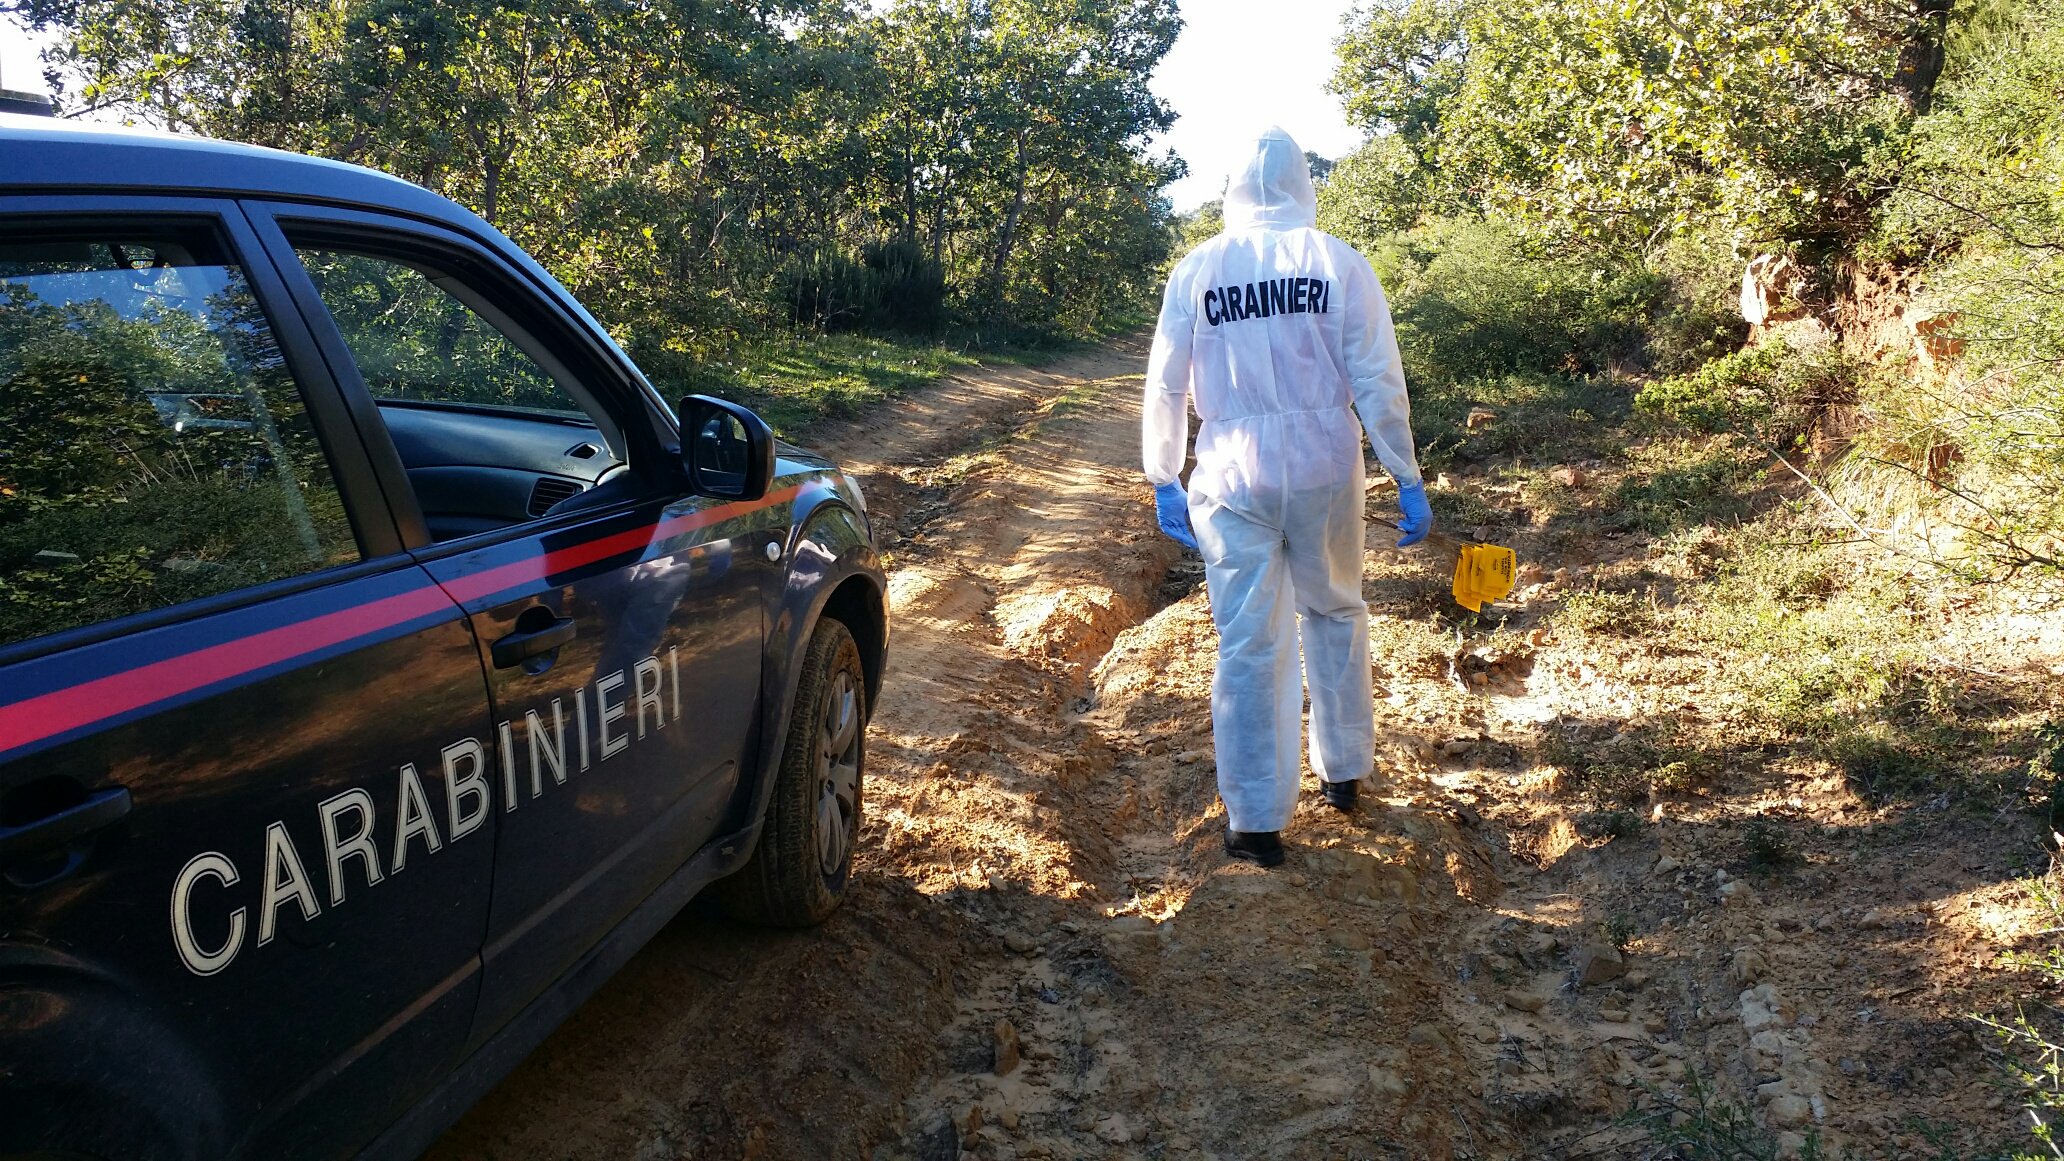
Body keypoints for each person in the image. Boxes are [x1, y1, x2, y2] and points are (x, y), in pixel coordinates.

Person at [1142, 126, 1431, 869]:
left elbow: (1168, 383)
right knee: (1335, 611)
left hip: (1231, 472)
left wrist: (1164, 473)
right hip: (1324, 469)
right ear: (1305, 182)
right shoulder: (1338, 262)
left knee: (1248, 642)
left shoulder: (1198, 270)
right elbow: (1376, 377)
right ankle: (1343, 772)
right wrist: (1404, 471)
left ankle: (1257, 821)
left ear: (1230, 188)